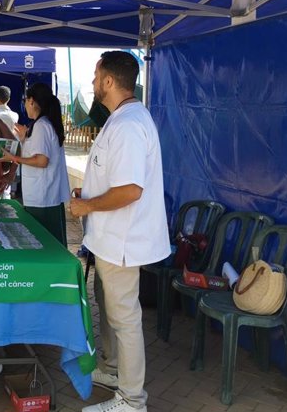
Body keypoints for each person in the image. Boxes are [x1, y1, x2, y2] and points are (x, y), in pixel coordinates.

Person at [69, 51, 169, 412]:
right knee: (115, 315)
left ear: (109, 81)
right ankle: (114, 371)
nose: (93, 82)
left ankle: (131, 400)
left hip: (122, 242)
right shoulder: (123, 118)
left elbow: (130, 190)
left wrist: (87, 206)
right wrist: (90, 194)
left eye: (96, 76)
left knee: (125, 321)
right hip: (111, 239)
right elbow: (116, 177)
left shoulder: (127, 124)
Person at [0, 83, 70, 246]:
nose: (25, 105)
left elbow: (41, 160)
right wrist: (25, 139)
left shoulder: (42, 126)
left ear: (31, 101)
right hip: (44, 194)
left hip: (42, 197)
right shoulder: (43, 124)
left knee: (44, 243)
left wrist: (13, 157)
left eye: (25, 101)